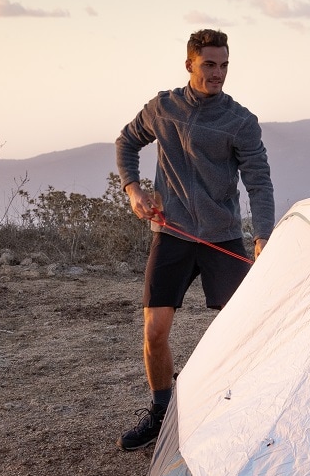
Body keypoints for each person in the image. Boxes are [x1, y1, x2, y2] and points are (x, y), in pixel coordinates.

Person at [114, 28, 275, 451]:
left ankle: (239, 413)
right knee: (154, 331)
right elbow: (127, 141)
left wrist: (262, 235)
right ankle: (162, 412)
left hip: (222, 236)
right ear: (189, 64)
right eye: (209, 65)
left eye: (223, 65)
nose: (217, 73)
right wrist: (133, 189)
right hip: (172, 233)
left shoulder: (241, 121)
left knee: (245, 332)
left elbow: (259, 181)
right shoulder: (162, 108)